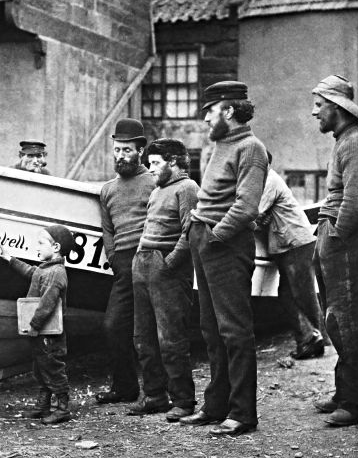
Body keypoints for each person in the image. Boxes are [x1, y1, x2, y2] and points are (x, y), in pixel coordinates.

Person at [180, 81, 268, 437]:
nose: (204, 119)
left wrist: (216, 235)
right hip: (205, 239)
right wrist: (196, 228)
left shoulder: (251, 148)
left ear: (229, 111)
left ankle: (243, 413)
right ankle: (215, 406)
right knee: (211, 328)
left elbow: (247, 206)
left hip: (226, 244)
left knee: (234, 330)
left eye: (210, 111)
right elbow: (210, 196)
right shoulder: (217, 145)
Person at [310, 75, 358, 428]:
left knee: (348, 321)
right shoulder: (345, 141)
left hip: (349, 242)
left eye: (319, 105)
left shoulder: (357, 145)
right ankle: (345, 393)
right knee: (335, 320)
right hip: (339, 239)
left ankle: (356, 404)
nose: (315, 113)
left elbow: (354, 205)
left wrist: (335, 237)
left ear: (337, 107)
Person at [128, 138, 199, 422]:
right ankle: (155, 396)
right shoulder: (158, 190)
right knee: (143, 338)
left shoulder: (187, 188)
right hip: (142, 264)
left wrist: (168, 264)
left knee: (170, 339)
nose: (150, 168)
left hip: (166, 267)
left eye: (156, 163)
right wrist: (139, 258)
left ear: (173, 162)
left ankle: (183, 400)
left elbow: (190, 231)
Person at [95, 119, 157, 404]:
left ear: (140, 152)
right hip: (122, 264)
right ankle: (125, 387)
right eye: (117, 150)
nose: (120, 156)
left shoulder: (155, 182)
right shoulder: (107, 190)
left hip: (149, 260)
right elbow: (107, 228)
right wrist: (113, 257)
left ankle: (160, 392)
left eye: (127, 150)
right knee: (113, 326)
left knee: (151, 327)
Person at [0, 225, 76, 425]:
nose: (37, 248)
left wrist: (33, 325)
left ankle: (62, 409)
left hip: (49, 334)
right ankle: (43, 406)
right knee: (41, 369)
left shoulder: (56, 273)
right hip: (42, 333)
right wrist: (11, 259)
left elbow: (47, 304)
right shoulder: (46, 269)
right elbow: (31, 272)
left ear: (56, 247)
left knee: (53, 369)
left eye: (41, 243)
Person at [256, 150, 328, 359]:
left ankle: (314, 339)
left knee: (299, 294)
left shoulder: (269, 181)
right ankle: (312, 339)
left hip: (295, 243)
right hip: (292, 243)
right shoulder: (266, 180)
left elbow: (252, 212)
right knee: (292, 294)